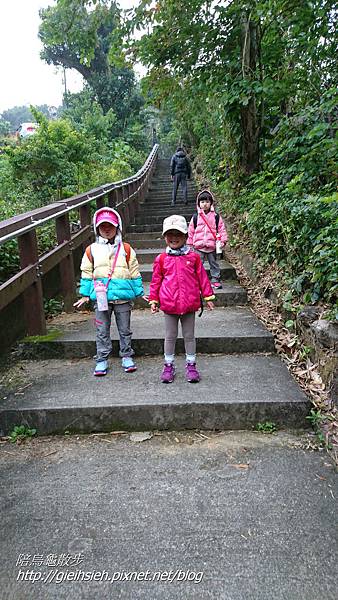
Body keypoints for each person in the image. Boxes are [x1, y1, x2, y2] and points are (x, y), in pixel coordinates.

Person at [73, 207, 143, 376]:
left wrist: (139, 291)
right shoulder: (91, 250)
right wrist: (84, 294)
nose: (106, 229)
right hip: (101, 297)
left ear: (117, 226)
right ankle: (102, 358)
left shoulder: (126, 249)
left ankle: (126, 355)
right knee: (102, 330)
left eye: (110, 225)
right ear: (97, 228)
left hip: (123, 297)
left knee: (125, 329)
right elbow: (87, 272)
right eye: (102, 225)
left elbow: (134, 270)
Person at [148, 215, 215, 384]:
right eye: (169, 234)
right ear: (164, 237)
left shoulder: (193, 258)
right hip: (169, 304)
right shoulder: (162, 259)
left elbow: (202, 278)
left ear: (186, 236)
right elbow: (156, 281)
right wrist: (154, 300)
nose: (174, 238)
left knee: (189, 336)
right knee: (170, 336)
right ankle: (168, 365)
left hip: (189, 303)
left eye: (178, 233)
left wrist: (208, 296)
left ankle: (191, 365)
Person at [187, 189, 228, 290]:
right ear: (198, 203)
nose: (205, 204)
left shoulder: (216, 217)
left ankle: (215, 279)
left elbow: (221, 229)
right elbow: (191, 231)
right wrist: (190, 244)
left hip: (211, 245)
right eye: (202, 202)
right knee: (197, 264)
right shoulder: (196, 217)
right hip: (198, 246)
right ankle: (197, 280)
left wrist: (222, 241)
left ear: (211, 203)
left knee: (213, 263)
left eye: (207, 202)